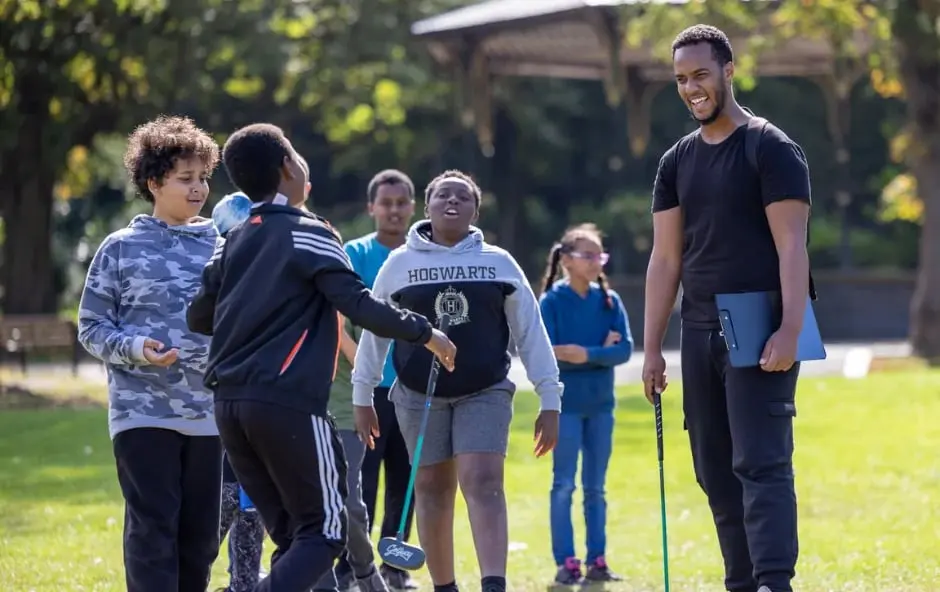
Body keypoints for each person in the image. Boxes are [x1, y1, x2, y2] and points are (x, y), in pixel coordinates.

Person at [186, 123, 456, 592]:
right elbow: (359, 303)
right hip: (286, 403)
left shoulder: (235, 240)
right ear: (289, 168)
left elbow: (199, 316)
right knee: (326, 533)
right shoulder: (309, 231)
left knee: (292, 534)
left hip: (229, 407)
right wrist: (425, 332)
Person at [643, 25, 812, 592]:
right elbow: (665, 260)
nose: (692, 88)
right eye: (682, 79)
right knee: (713, 467)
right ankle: (741, 581)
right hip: (698, 324)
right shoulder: (675, 161)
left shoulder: (771, 147)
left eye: (701, 75)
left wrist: (790, 328)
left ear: (728, 71)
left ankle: (772, 580)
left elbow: (793, 245)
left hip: (759, 316)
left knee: (760, 462)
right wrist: (651, 352)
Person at [351, 169, 563, 592]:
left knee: (483, 480)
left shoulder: (498, 263)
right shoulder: (400, 264)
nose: (452, 202)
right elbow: (376, 331)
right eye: (443, 195)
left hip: (484, 390)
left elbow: (531, 332)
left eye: (463, 197)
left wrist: (550, 398)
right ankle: (444, 586)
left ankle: (493, 585)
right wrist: (362, 393)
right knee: (430, 487)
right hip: (416, 394)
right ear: (426, 207)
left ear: (475, 211)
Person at [76, 115, 223, 592]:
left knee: (199, 541)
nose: (198, 188)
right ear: (155, 181)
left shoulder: (224, 247)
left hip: (209, 415)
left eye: (203, 177)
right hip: (142, 415)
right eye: (186, 178)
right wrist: (137, 348)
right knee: (152, 532)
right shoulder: (120, 248)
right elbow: (91, 326)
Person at [538, 223, 633, 585]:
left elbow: (623, 349)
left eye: (600, 255)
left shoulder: (610, 302)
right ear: (566, 261)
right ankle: (567, 560)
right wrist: (599, 352)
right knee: (564, 485)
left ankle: (598, 559)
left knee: (596, 487)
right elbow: (547, 354)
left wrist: (585, 353)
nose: (596, 262)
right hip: (566, 410)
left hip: (601, 408)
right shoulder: (551, 302)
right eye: (588, 255)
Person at [346, 169, 419, 591]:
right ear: (371, 208)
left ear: (413, 207)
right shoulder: (355, 254)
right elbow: (341, 322)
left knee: (404, 483)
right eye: (385, 203)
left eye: (402, 202)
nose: (394, 210)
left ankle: (395, 568)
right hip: (367, 391)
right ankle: (358, 570)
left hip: (411, 390)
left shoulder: (421, 256)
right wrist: (365, 370)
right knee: (362, 483)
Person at [210, 192, 267, 592]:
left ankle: (244, 583)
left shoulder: (271, 270)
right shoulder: (219, 272)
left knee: (253, 500)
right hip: (226, 403)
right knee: (229, 495)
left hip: (263, 404)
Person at [312, 315, 391, 592]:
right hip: (301, 416)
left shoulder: (353, 306)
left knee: (347, 502)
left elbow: (365, 365)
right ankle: (323, 582)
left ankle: (365, 570)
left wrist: (339, 329)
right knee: (314, 502)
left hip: (345, 418)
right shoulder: (294, 296)